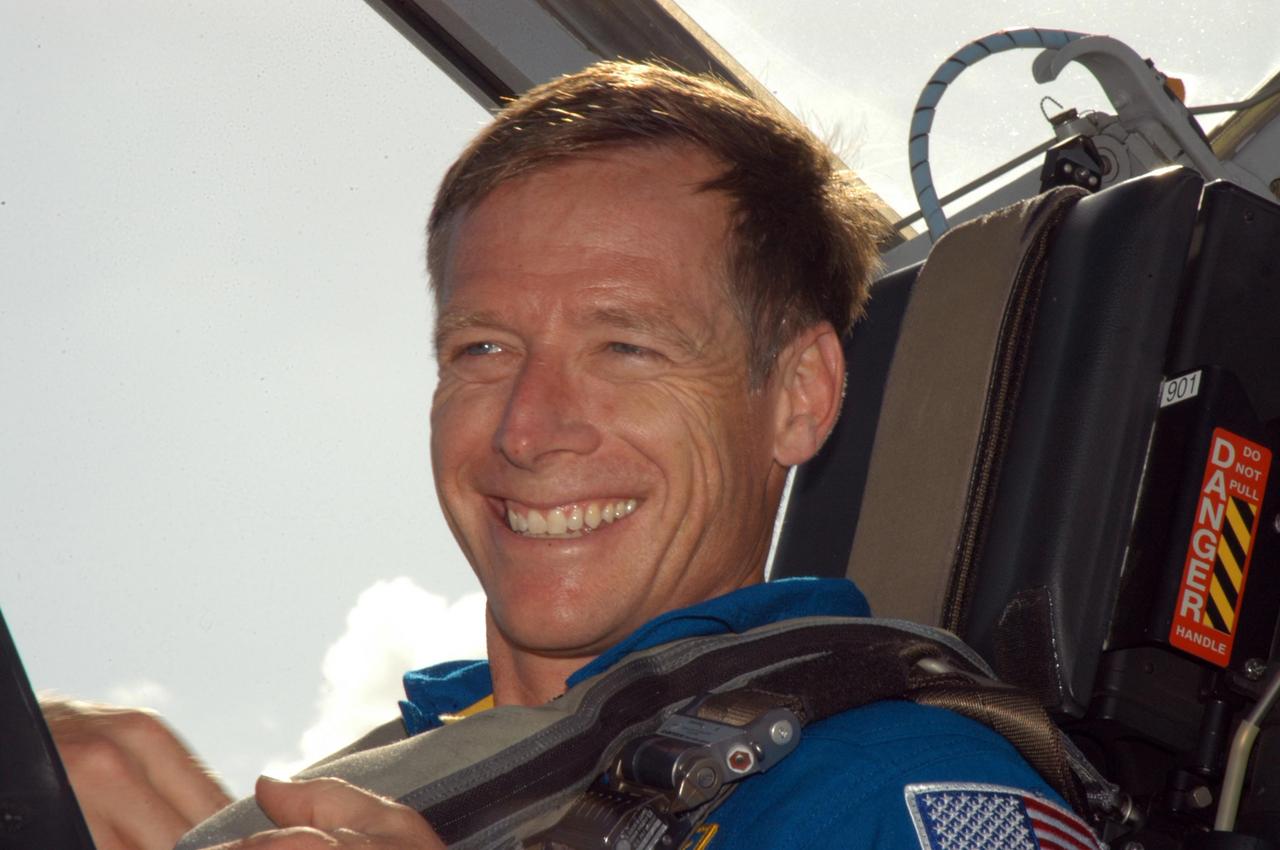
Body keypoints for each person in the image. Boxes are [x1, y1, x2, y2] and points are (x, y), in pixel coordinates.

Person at [46, 61, 1095, 850]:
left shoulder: (888, 783)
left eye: (624, 345)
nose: (526, 427)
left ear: (797, 396)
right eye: (484, 348)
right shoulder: (407, 766)